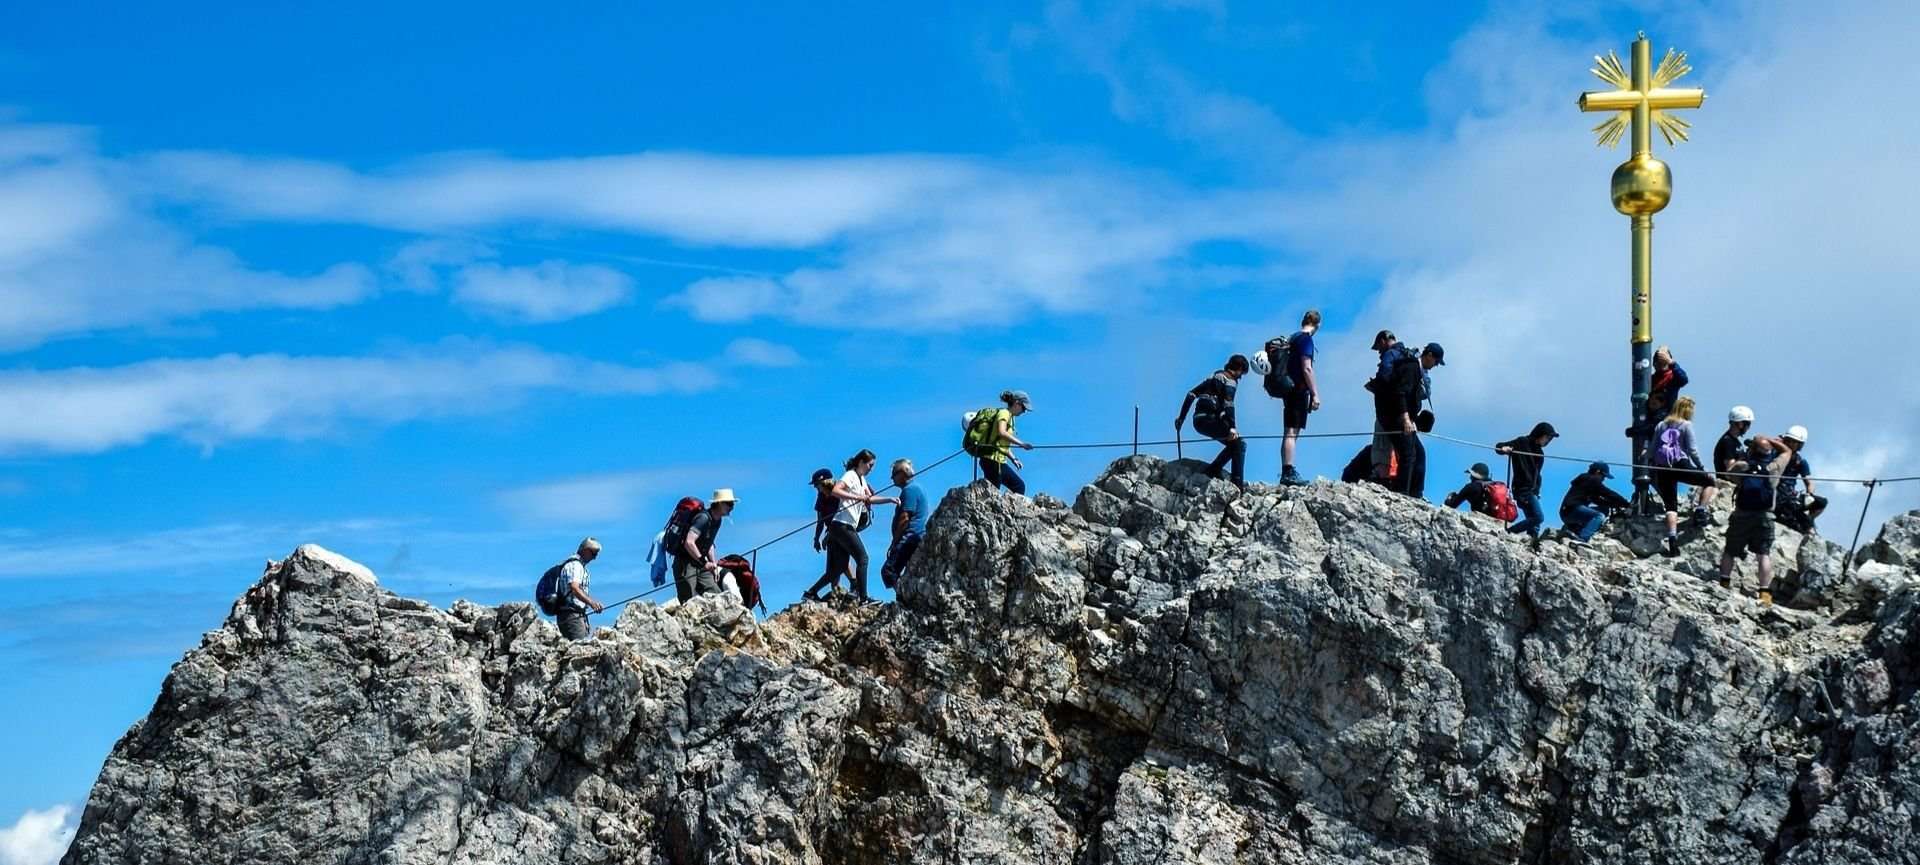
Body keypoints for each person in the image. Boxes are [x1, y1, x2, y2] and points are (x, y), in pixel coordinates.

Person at [805, 449, 898, 603]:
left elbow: (870, 498)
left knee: (838, 567)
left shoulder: (861, 480)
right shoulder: (851, 475)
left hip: (839, 527)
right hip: (842, 525)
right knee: (863, 558)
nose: (871, 469)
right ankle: (863, 599)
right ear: (861, 462)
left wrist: (889, 499)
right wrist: (858, 497)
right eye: (870, 465)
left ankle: (811, 592)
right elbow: (836, 490)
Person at [1719, 435, 1792, 606]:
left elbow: (1729, 473)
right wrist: (1770, 441)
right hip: (1764, 516)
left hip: (1742, 514)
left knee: (1730, 550)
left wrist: (1752, 448)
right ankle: (1764, 593)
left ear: (1752, 449)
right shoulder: (1774, 467)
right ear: (1769, 451)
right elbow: (1787, 451)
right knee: (1763, 554)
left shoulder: (1743, 466)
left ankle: (1724, 582)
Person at [1367, 333, 1442, 497]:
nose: (1435, 365)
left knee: (1418, 453)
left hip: (1397, 417)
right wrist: (1406, 419)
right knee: (1409, 454)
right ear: (1429, 355)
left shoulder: (1415, 368)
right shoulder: (1412, 367)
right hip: (1396, 418)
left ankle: (1415, 493)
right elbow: (1401, 394)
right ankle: (1404, 493)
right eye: (1436, 361)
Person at [1648, 396, 1719, 555]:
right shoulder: (1686, 425)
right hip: (1681, 464)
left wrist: (1647, 460)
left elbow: (1652, 449)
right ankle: (1700, 510)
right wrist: (1702, 468)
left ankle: (1672, 540)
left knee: (1671, 506)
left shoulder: (1661, 425)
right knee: (1709, 482)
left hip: (1663, 468)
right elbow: (1692, 450)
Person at [1175, 354, 1249, 487]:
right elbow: (1229, 403)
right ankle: (1236, 485)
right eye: (1241, 373)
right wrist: (1232, 427)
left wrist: (1181, 418)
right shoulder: (1230, 380)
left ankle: (1212, 471)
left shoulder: (1213, 377)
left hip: (1198, 421)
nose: (1240, 377)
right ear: (1238, 368)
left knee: (1234, 444)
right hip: (1211, 419)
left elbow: (1191, 395)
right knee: (1239, 444)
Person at [1280, 310, 1321, 486]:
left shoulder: (1293, 337)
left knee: (1289, 431)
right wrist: (1315, 394)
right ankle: (1288, 471)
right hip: (1298, 390)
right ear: (1317, 325)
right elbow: (1307, 369)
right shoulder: (1306, 340)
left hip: (1288, 388)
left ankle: (1287, 470)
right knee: (1291, 432)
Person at [1495, 422, 1558, 539]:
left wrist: (1537, 491)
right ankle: (1509, 532)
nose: (1548, 441)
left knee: (1534, 524)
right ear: (1540, 434)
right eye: (1548, 437)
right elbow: (1498, 446)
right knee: (1538, 517)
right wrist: (1504, 449)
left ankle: (1531, 543)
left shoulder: (1540, 454)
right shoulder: (1521, 442)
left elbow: (1537, 475)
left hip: (1531, 491)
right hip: (1521, 489)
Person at [674, 489, 737, 603]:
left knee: (716, 595)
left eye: (732, 504)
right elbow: (689, 542)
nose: (731, 507)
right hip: (686, 563)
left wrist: (714, 565)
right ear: (719, 503)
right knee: (689, 600)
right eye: (729, 504)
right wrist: (704, 562)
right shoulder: (703, 518)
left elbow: (709, 544)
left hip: (700, 563)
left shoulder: (717, 521)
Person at [880, 458, 929, 589]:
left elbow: (904, 518)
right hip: (916, 537)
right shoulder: (916, 488)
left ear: (903, 473)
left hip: (909, 539)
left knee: (888, 571)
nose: (892, 478)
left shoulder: (909, 490)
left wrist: (894, 542)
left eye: (894, 474)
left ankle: (901, 598)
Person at [976, 390, 1036, 495]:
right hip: (992, 460)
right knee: (994, 492)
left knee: (1019, 486)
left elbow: (1001, 444)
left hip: (999, 460)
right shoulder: (1004, 413)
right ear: (1017, 403)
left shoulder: (1011, 418)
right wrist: (1021, 444)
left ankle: (1013, 510)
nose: (1024, 411)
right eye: (1023, 408)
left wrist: (1014, 459)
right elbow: (1001, 432)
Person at [1772, 425, 1829, 533]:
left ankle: (1809, 519)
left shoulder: (1800, 462)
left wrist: (1809, 495)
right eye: (1789, 440)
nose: (1790, 444)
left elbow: (1809, 482)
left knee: (1821, 502)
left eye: (1794, 442)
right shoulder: (1776, 454)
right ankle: (1807, 526)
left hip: (1789, 494)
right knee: (1793, 510)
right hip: (1777, 493)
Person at [806, 468, 853, 597]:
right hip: (831, 530)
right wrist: (816, 538)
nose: (816, 488)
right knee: (837, 563)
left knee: (841, 561)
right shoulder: (821, 496)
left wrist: (827, 535)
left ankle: (853, 585)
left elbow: (842, 515)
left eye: (817, 485)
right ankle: (838, 589)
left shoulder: (839, 493)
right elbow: (820, 519)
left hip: (841, 529)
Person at [1558, 462, 1632, 544]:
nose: (1603, 479)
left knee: (1604, 509)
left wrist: (1615, 505)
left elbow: (1598, 500)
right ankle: (1582, 538)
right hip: (1571, 510)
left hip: (1567, 512)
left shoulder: (1586, 483)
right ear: (1597, 472)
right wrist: (1626, 504)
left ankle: (1576, 530)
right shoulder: (1592, 479)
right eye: (1603, 476)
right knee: (1599, 516)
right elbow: (1608, 493)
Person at [556, 538, 605, 641]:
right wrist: (592, 603)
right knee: (579, 649)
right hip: (572, 615)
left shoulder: (573, 564)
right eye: (593, 554)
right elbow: (575, 588)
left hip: (570, 614)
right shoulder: (576, 566)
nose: (594, 558)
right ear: (586, 550)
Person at [1714, 405, 1755, 479]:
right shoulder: (1727, 442)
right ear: (1740, 423)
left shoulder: (1735, 441)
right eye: (1748, 424)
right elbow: (1730, 468)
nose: (1748, 427)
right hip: (1728, 483)